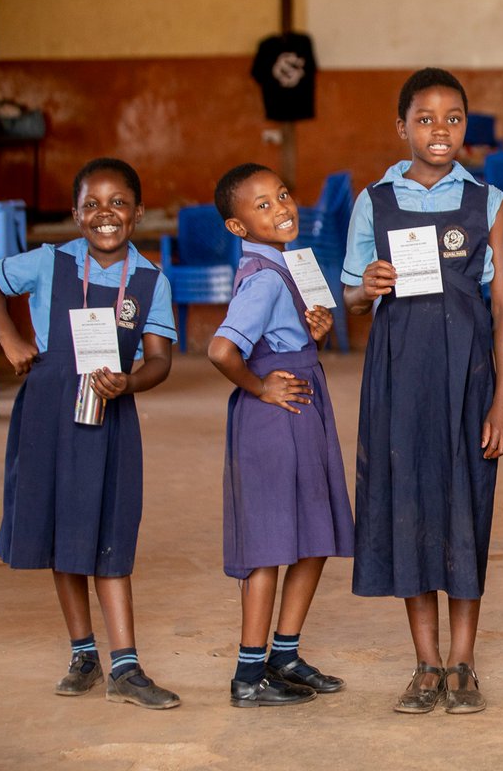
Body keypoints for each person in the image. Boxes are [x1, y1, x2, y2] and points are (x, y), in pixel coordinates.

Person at [342, 67, 503, 715]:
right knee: (409, 506)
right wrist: (369, 284)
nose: (438, 130)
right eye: (424, 118)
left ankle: (464, 664)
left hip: (471, 377)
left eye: (452, 118)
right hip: (400, 374)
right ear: (401, 127)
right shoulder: (374, 201)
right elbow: (352, 299)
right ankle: (425, 664)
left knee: (467, 509)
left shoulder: (488, 202)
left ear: (465, 127)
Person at [0, 158, 180, 709]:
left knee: (108, 534)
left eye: (118, 202)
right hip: (49, 411)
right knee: (61, 534)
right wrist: (10, 342)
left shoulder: (149, 280)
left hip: (108, 413)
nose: (105, 214)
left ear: (138, 213)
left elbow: (160, 361)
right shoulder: (48, 262)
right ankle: (84, 653)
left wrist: (131, 381)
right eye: (92, 204)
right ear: (75, 215)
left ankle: (127, 667)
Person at [208, 164, 355, 708]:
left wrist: (306, 332)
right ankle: (249, 674)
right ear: (237, 227)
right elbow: (221, 349)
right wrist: (259, 387)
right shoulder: (265, 276)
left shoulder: (288, 265)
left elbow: (281, 330)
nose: (282, 209)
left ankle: (284, 654)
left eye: (284, 196)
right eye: (262, 205)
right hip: (274, 416)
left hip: (302, 405)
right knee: (271, 545)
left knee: (314, 534)